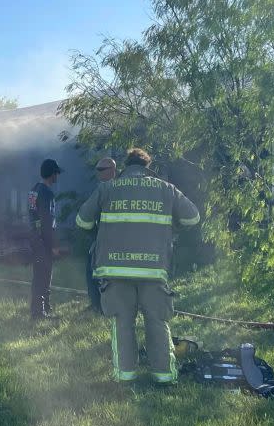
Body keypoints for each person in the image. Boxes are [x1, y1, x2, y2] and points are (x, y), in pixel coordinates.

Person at [76, 148, 200, 384]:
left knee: (123, 322)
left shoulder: (108, 189)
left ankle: (126, 376)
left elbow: (82, 221)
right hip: (153, 270)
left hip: (116, 270)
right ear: (147, 165)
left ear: (126, 166)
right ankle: (163, 377)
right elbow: (192, 217)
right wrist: (171, 228)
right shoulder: (166, 189)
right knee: (157, 321)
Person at [28, 158, 62, 320]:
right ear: (52, 174)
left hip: (34, 237)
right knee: (44, 275)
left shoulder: (34, 190)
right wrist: (53, 244)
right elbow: (47, 220)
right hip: (44, 240)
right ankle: (39, 312)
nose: (58, 176)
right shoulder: (47, 193)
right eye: (57, 173)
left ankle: (44, 308)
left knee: (39, 274)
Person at [85, 157, 117, 310]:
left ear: (112, 170)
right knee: (92, 270)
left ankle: (101, 305)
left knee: (102, 274)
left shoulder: (114, 189)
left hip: (111, 240)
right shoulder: (101, 188)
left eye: (101, 170)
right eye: (97, 169)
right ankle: (96, 304)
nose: (98, 173)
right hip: (98, 236)